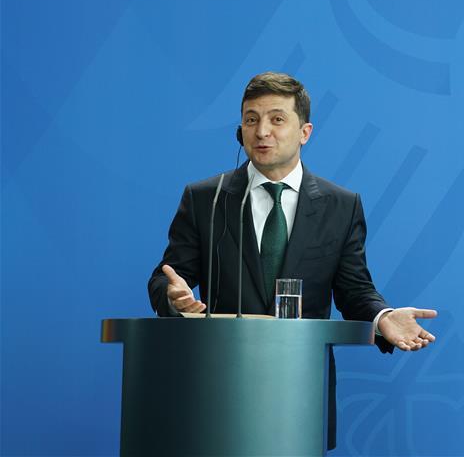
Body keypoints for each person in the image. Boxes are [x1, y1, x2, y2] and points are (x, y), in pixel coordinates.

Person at [148, 72, 436, 449]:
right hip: (218, 386)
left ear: (305, 132)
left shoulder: (340, 206)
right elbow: (167, 278)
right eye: (251, 119)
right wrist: (173, 298)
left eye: (276, 119)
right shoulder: (207, 199)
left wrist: (383, 318)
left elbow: (354, 290)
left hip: (300, 390)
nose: (262, 131)